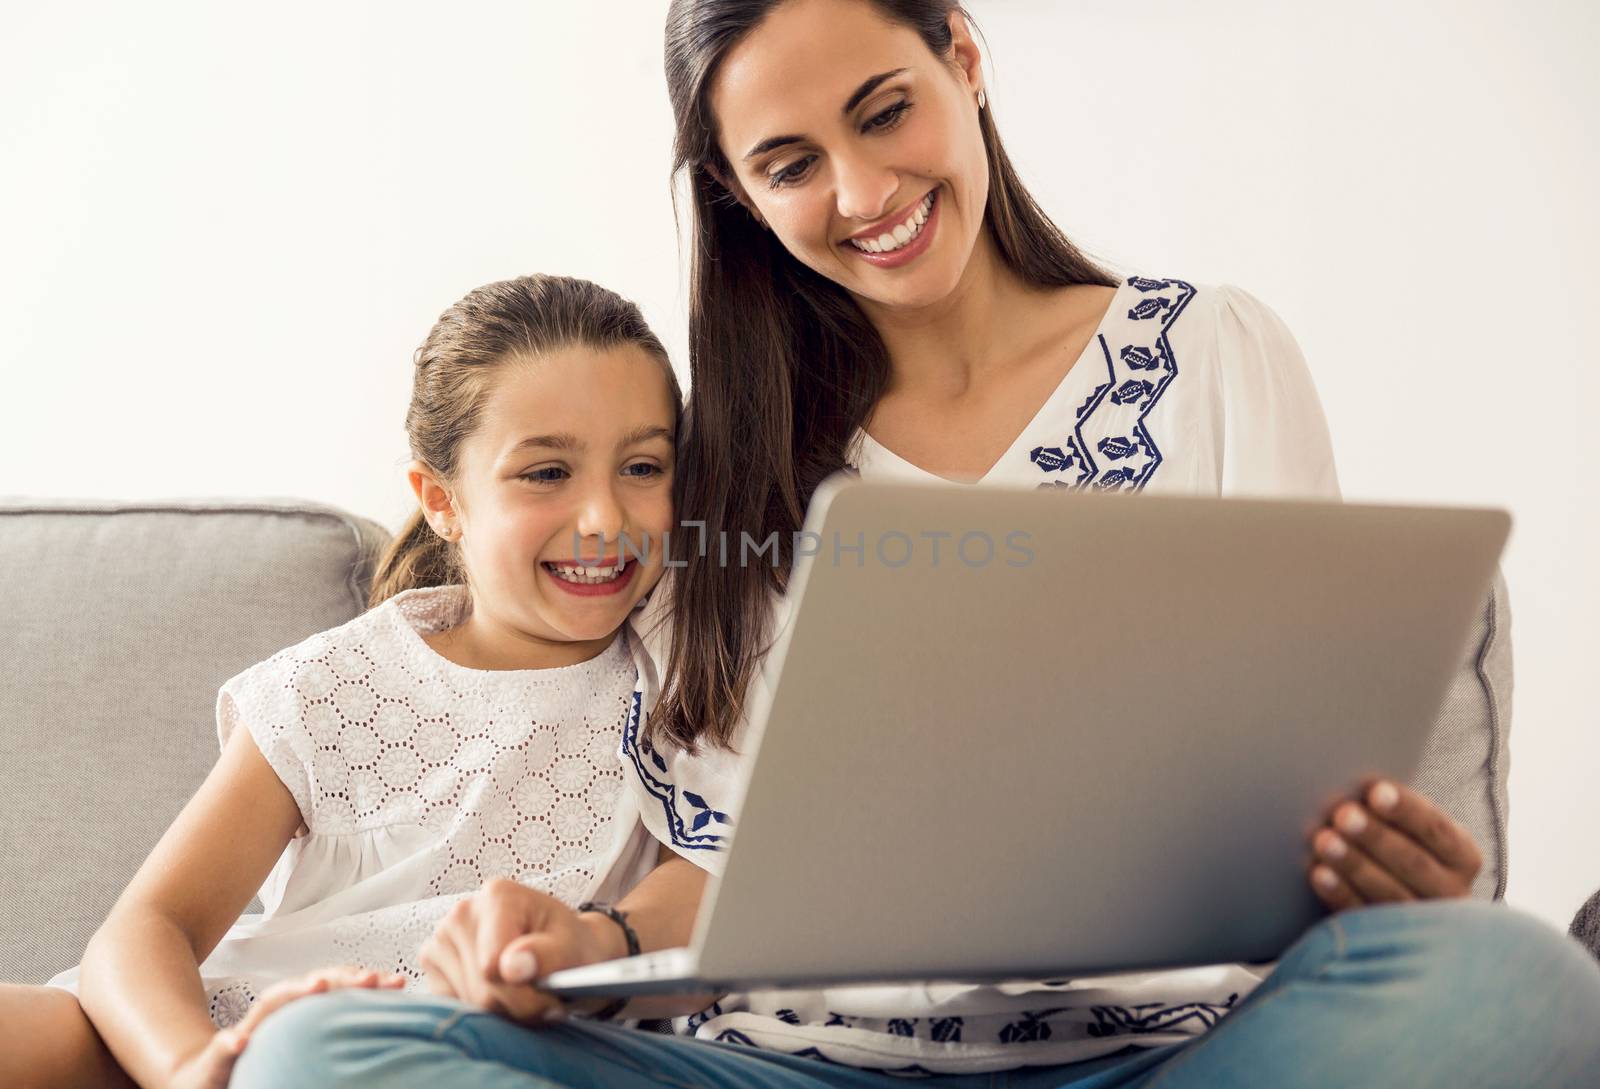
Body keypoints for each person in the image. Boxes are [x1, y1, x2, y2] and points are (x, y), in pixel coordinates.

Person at [230, 2, 1600, 1087]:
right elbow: (730, 869)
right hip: (801, 1067)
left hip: (1171, 1053)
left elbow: (1300, 770)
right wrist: (590, 935)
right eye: (790, 163)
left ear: (963, 58)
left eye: (885, 112)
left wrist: (1377, 871)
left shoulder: (1212, 357)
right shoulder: (711, 471)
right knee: (318, 1056)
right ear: (736, 191)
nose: (863, 189)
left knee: (1513, 983)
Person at [0, 274, 691, 1089]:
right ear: (442, 500)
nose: (605, 518)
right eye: (545, 474)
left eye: (642, 466)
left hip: (426, 1048)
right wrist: (190, 1066)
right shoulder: (332, 685)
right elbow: (146, 928)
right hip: (230, 1030)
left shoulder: (690, 668)